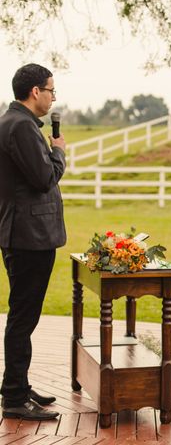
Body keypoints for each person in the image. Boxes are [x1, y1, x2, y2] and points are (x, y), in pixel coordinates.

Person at [0, 64, 66, 420]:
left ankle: (19, 386)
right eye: (52, 90)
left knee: (23, 315)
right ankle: (13, 398)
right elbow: (44, 179)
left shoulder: (15, 123)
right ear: (35, 91)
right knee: (23, 318)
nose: (54, 97)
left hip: (23, 234)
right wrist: (58, 151)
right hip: (28, 238)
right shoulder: (21, 127)